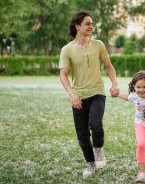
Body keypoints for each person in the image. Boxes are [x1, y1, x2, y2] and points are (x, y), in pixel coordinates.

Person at [59, 10, 120, 178]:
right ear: (77, 26)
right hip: (78, 96)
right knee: (82, 134)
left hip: (97, 93)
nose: (91, 27)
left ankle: (99, 151)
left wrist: (115, 83)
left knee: (96, 123)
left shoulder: (98, 45)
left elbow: (108, 66)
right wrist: (72, 94)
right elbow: (63, 74)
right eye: (87, 23)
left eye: (92, 24)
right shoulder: (67, 50)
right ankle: (91, 163)